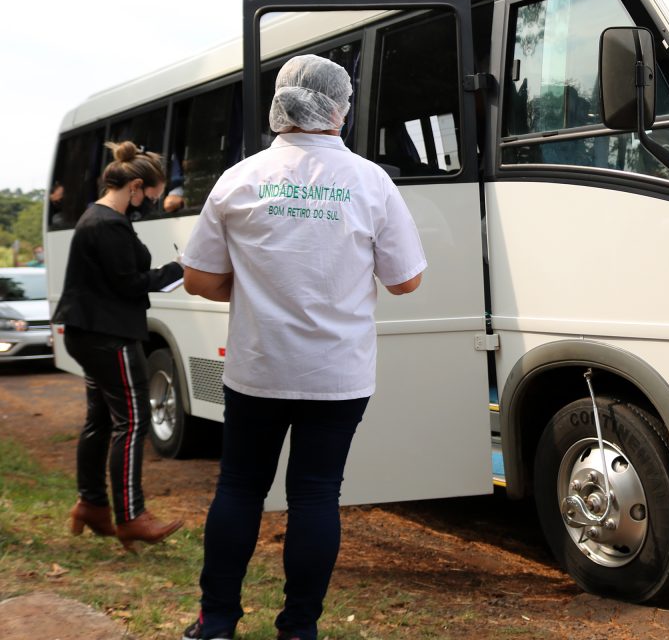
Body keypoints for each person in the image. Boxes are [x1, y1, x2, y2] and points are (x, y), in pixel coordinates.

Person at [180, 55, 426, 640]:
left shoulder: (240, 178)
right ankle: (298, 628)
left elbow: (199, 280)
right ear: (340, 110)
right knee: (316, 494)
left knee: (239, 487)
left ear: (280, 104)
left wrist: (263, 283)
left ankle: (215, 622)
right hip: (337, 374)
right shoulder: (370, 181)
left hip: (257, 368)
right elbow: (405, 279)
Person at [52, 141, 185, 551]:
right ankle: (130, 515)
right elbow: (128, 282)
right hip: (108, 335)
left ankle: (92, 504)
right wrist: (179, 269)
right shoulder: (108, 223)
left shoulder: (98, 218)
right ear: (136, 186)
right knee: (132, 423)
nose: (153, 203)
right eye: (152, 195)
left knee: (102, 420)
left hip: (89, 331)